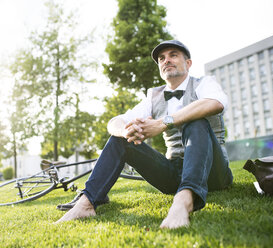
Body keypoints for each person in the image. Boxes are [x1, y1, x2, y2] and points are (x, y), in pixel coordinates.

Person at [55, 40, 233, 229]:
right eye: (161, 58)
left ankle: (184, 201)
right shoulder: (153, 96)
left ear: (188, 63)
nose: (166, 61)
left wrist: (163, 122)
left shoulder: (204, 83)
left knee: (196, 121)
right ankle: (86, 204)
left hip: (213, 171)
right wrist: (125, 130)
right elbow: (113, 122)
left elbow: (215, 103)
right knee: (120, 138)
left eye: (173, 55)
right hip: (173, 174)